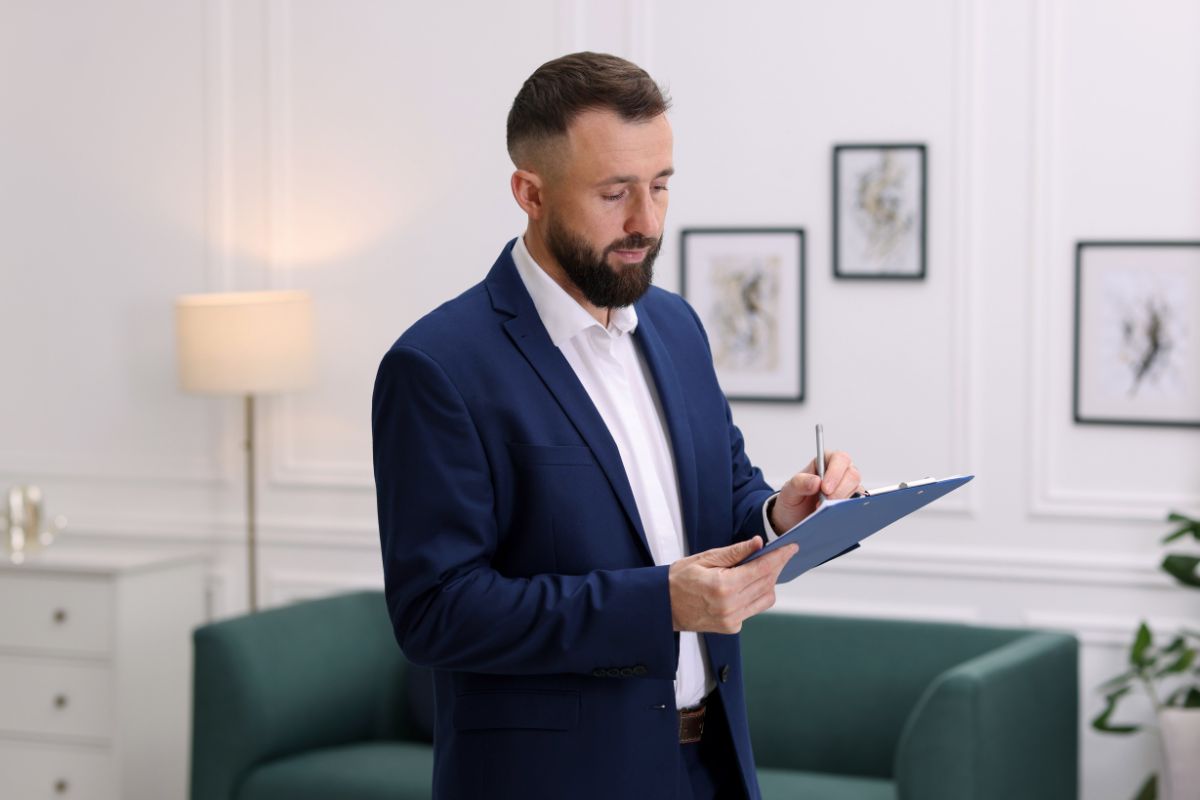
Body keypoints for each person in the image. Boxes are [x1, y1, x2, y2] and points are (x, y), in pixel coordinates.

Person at [372, 51, 863, 800]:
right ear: (529, 193)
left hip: (714, 769)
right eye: (614, 194)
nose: (647, 222)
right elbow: (436, 612)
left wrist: (781, 514)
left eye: (661, 187)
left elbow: (722, 508)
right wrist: (658, 602)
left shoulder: (678, 328)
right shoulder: (438, 365)